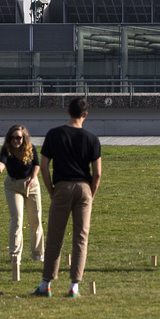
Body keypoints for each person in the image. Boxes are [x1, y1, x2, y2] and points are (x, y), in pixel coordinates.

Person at [32, 97, 101, 298]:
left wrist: (51, 190)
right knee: (81, 238)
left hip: (61, 187)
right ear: (85, 115)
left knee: (55, 236)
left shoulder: (54, 134)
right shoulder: (91, 138)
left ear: (68, 112)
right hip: (84, 188)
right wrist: (91, 194)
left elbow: (43, 166)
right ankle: (74, 286)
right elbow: (97, 173)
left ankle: (46, 284)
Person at [0, 124, 44, 265]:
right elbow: (2, 161)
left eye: (19, 138)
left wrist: (33, 178)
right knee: (17, 220)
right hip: (13, 186)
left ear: (24, 138)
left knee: (36, 219)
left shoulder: (30, 148)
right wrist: (0, 166)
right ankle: (15, 256)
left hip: (31, 185)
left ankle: (38, 253)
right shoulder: (7, 149)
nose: (16, 140)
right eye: (13, 138)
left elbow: (36, 164)